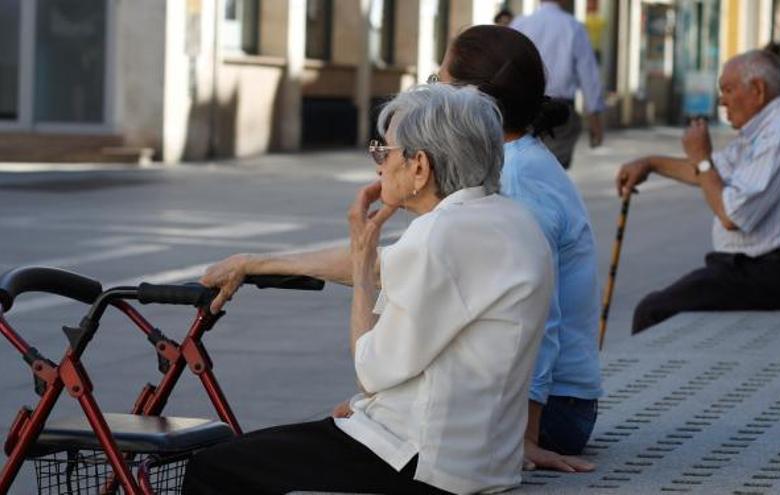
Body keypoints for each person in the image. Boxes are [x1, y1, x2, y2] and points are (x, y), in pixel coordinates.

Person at [183, 84, 555, 495]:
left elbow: (372, 370)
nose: (377, 164)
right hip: (481, 458)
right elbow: (394, 273)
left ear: (419, 167)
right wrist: (255, 262)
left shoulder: (438, 235)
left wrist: (361, 261)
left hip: (423, 460)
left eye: (385, 152)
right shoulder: (511, 220)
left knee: (214, 468)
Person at [437, 25, 602, 472]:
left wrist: (525, 436)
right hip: (538, 399)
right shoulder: (512, 162)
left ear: (471, 101)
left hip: (555, 412)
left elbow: (539, 311)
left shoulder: (518, 178)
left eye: (440, 84)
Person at [616, 49, 780, 334]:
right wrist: (651, 164)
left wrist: (702, 158)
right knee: (667, 303)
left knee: (653, 311)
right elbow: (712, 174)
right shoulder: (764, 129)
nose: (721, 100)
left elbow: (732, 214)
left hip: (775, 273)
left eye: (728, 90)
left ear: (757, 89)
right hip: (755, 268)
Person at [511, 0, 605, 169]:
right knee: (553, 171)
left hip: (523, 111)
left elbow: (508, 65)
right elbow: (588, 74)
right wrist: (595, 118)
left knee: (523, 168)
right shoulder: (573, 27)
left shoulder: (520, 24)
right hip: (559, 113)